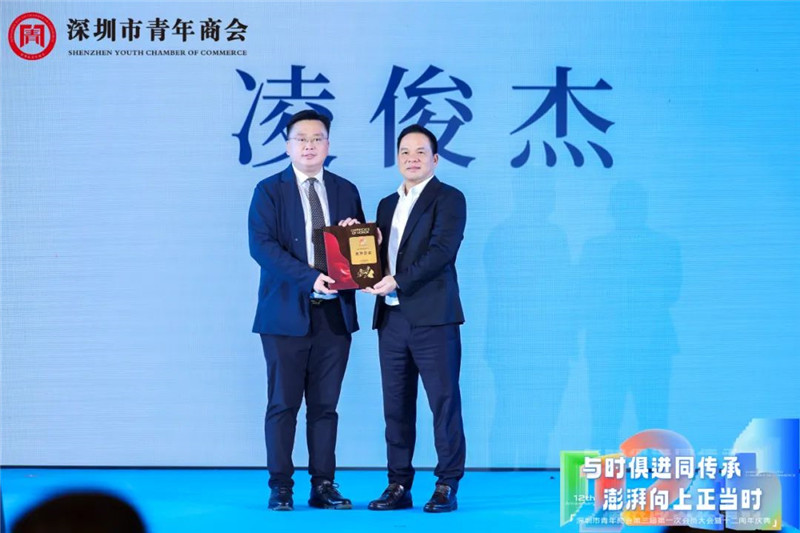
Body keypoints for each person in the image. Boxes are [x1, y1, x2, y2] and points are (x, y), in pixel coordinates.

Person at [248, 109, 364, 511]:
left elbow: (360, 249)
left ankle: (323, 485)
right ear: (288, 146)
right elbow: (262, 247)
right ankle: (280, 486)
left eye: (317, 138)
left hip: (334, 315)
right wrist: (310, 278)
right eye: (301, 139)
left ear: (328, 145)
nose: (309, 145)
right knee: (283, 405)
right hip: (284, 314)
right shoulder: (269, 190)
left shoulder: (346, 190)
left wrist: (356, 243)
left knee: (325, 407)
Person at [364, 124, 467, 513]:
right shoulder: (386, 205)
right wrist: (359, 254)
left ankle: (446, 483)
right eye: (405, 152)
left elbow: (442, 252)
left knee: (443, 402)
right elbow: (377, 257)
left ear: (435, 159)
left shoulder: (449, 198)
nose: (412, 158)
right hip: (391, 319)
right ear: (397, 159)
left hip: (433, 318)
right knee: (396, 405)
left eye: (421, 152)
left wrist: (397, 280)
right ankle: (398, 484)